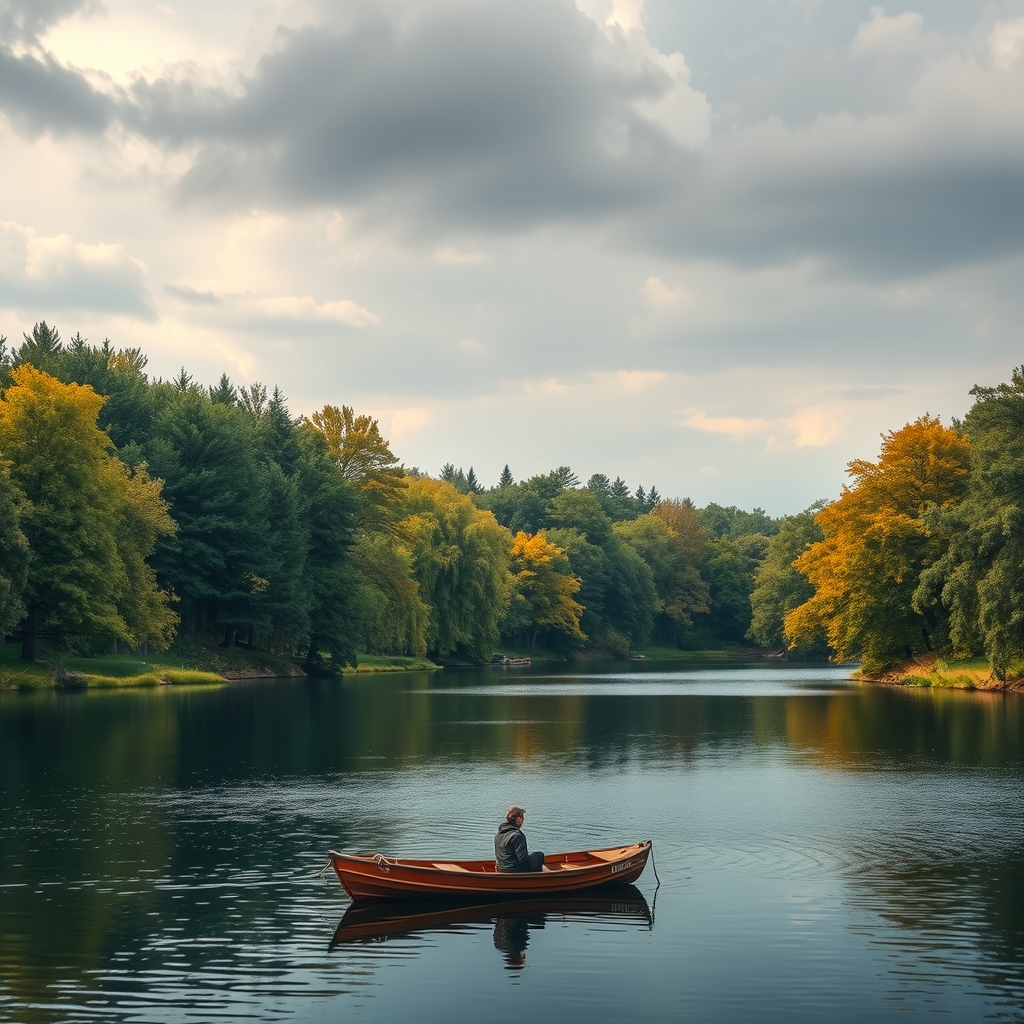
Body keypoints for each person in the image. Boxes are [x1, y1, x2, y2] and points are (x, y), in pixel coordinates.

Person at [494, 805, 544, 872]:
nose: (523, 820)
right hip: (514, 870)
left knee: (533, 856)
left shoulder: (499, 834)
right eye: (522, 818)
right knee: (539, 855)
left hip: (501, 868)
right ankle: (541, 878)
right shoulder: (518, 836)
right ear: (518, 820)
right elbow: (523, 860)